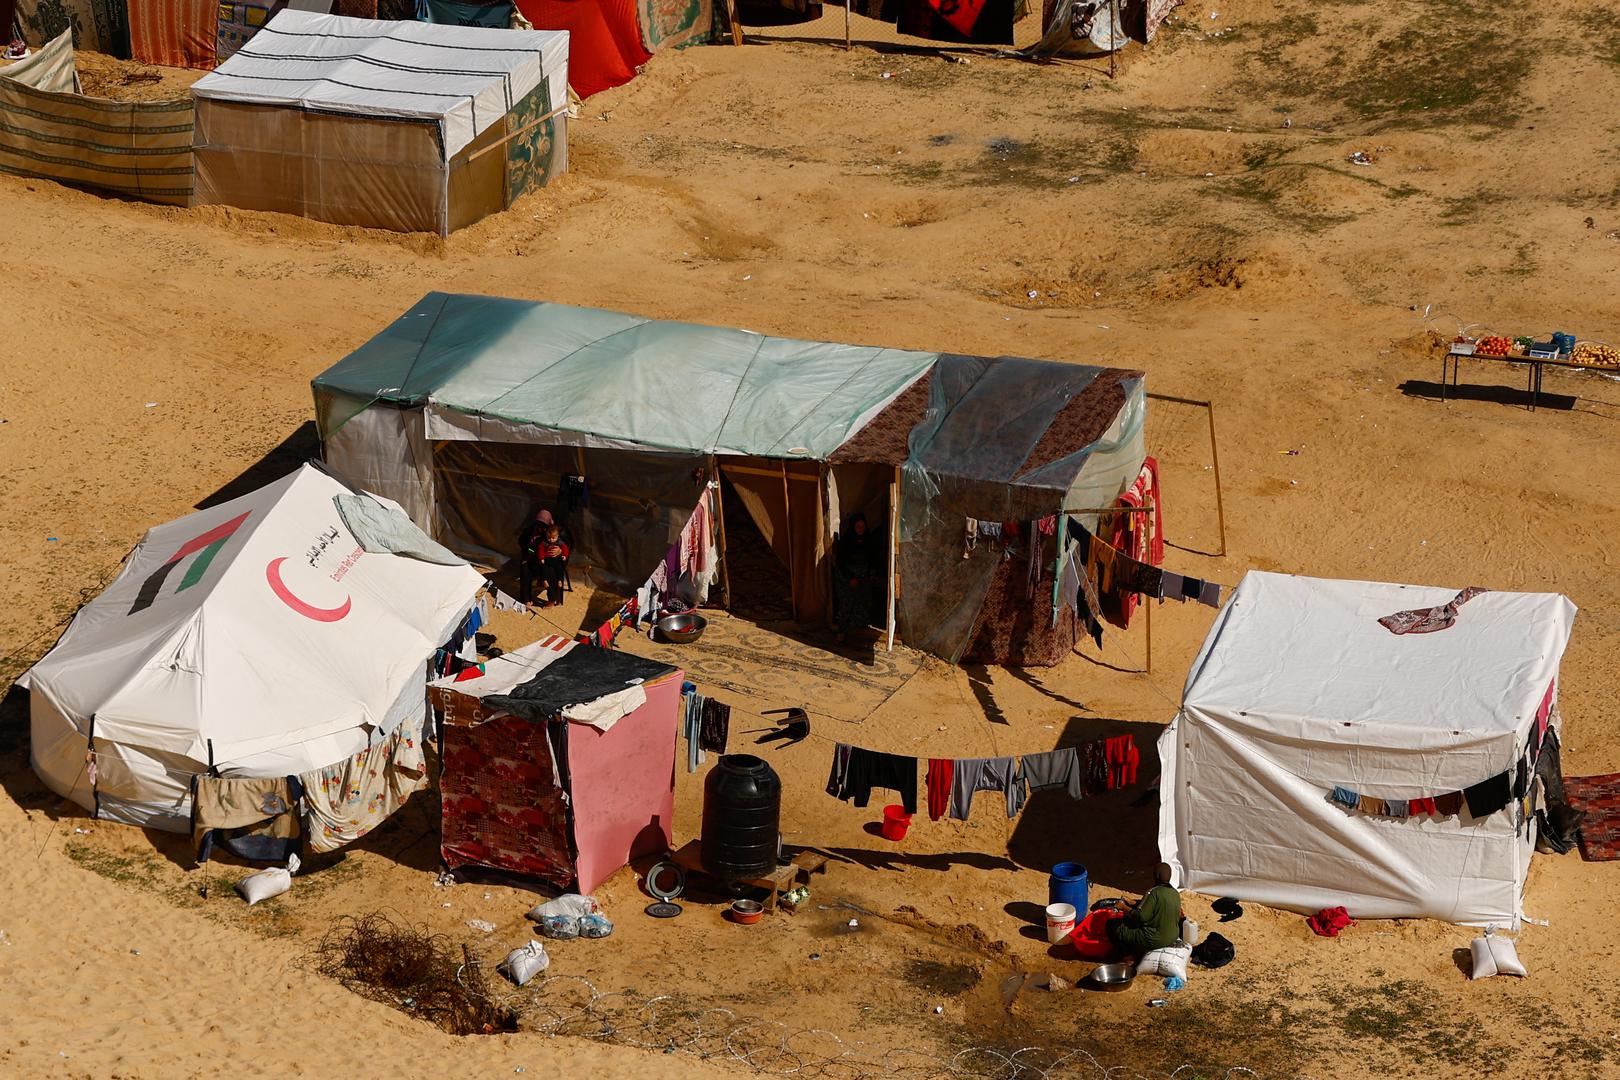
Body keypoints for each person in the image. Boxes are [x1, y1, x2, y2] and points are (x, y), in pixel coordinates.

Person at [1106, 863, 1182, 957]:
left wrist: (1123, 907)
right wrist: (1133, 902)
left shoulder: (1153, 892)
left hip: (1155, 939)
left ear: (1156, 876)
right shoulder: (1175, 893)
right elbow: (1159, 906)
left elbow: (1140, 917)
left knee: (1112, 926)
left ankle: (1128, 957)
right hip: (1172, 936)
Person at [833, 512, 882, 642]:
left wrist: (870, 574)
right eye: (858, 526)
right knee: (846, 603)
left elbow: (872, 558)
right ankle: (841, 631)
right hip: (846, 578)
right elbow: (840, 563)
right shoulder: (846, 541)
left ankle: (858, 630)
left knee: (863, 602)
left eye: (862, 526)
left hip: (862, 576)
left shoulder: (868, 539)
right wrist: (850, 578)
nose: (861, 529)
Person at [518, 508, 555, 605]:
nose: (540, 528)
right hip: (531, 559)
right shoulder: (530, 530)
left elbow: (564, 544)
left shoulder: (553, 533)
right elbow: (522, 542)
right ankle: (526, 599)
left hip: (546, 561)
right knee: (525, 571)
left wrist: (559, 551)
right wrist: (529, 551)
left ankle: (551, 599)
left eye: (543, 526)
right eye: (538, 525)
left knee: (551, 571)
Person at [533, 525, 570, 608]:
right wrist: (541, 558)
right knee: (544, 568)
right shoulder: (544, 543)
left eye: (553, 538)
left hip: (557, 561)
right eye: (549, 538)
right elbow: (539, 550)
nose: (551, 540)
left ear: (557, 536)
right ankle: (544, 580)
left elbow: (566, 549)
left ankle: (560, 580)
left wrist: (563, 554)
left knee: (559, 568)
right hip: (547, 562)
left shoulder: (560, 542)